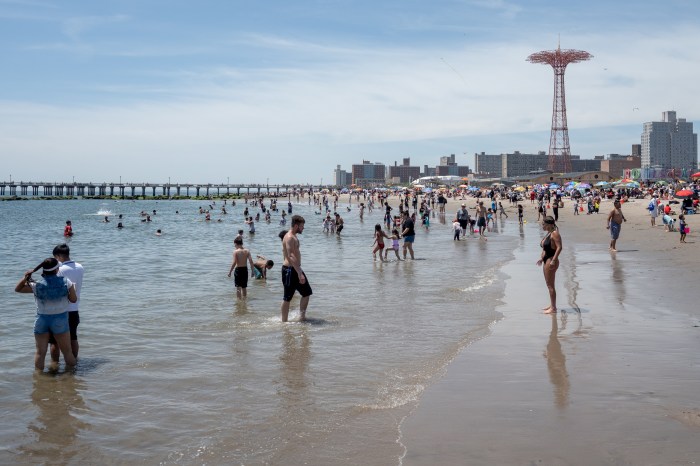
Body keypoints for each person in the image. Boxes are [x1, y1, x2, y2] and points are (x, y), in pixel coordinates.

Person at [15, 258, 77, 370]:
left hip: (42, 320)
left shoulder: (37, 285)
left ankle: (39, 380)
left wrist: (25, 277)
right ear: (57, 269)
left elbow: (18, 289)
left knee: (40, 353)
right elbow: (73, 299)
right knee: (67, 352)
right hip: (60, 320)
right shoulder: (66, 282)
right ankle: (71, 378)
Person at [48, 244, 84, 364]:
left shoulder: (60, 270)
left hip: (60, 310)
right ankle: (73, 362)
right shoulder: (80, 267)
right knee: (73, 338)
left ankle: (55, 365)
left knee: (54, 341)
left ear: (58, 256)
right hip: (74, 308)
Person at [280, 216, 312, 322]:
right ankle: (284, 322)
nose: (303, 228)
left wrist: (298, 270)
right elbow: (290, 255)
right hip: (289, 270)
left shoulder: (293, 236)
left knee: (306, 293)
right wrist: (299, 272)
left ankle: (302, 318)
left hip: (295, 269)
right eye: (302, 226)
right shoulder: (289, 237)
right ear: (296, 226)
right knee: (287, 297)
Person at [536, 216, 562, 314]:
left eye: (544, 224)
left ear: (550, 224)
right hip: (546, 260)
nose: (542, 225)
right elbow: (545, 248)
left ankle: (553, 308)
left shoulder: (555, 233)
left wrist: (553, 260)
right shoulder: (549, 233)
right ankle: (552, 304)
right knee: (549, 285)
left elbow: (559, 247)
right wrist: (541, 258)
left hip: (551, 260)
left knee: (550, 285)